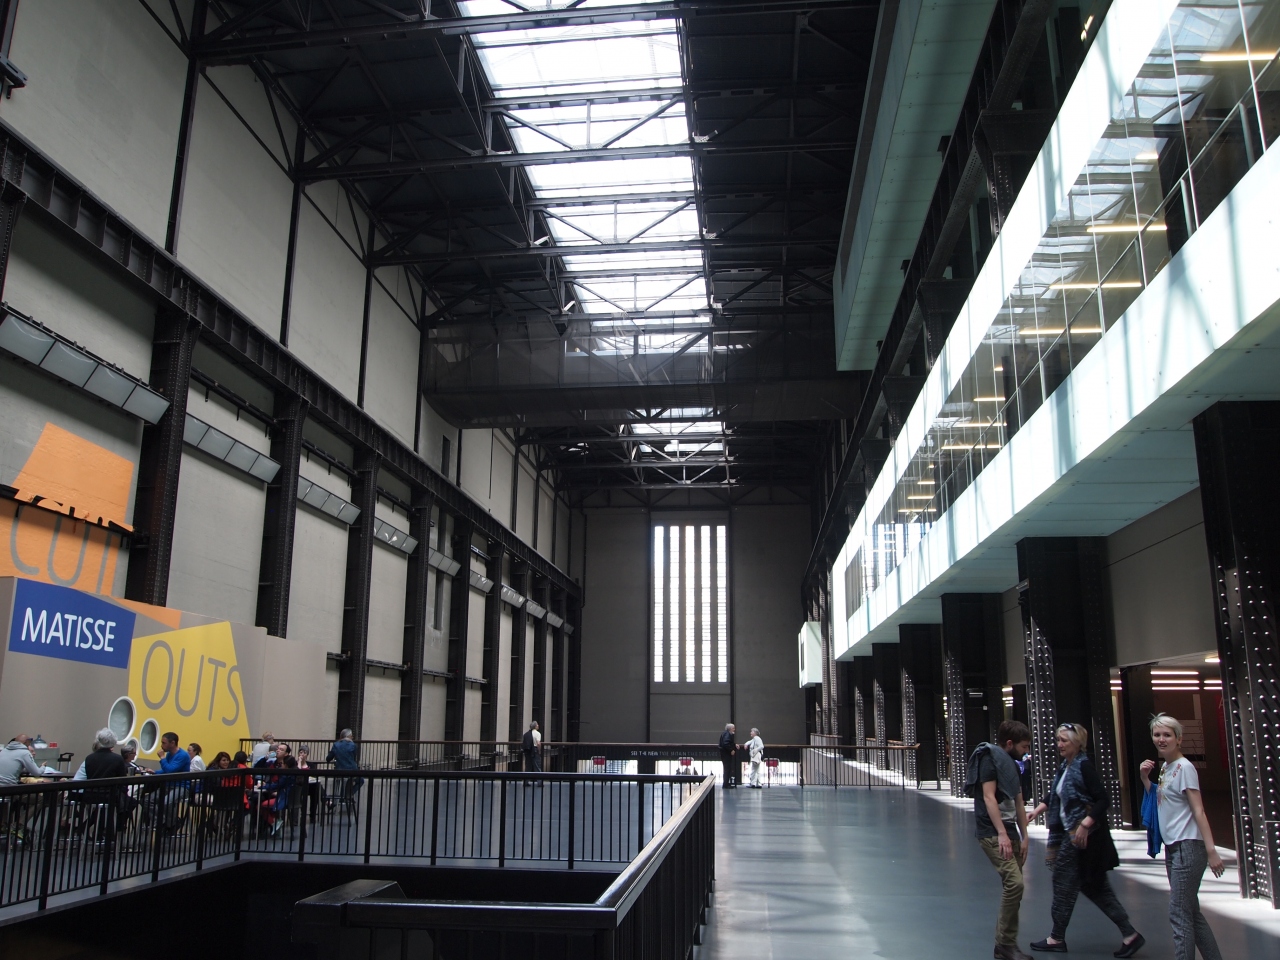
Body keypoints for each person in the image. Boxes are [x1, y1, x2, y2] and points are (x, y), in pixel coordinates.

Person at [1028, 723, 1143, 956]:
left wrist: (1085, 823)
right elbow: (1056, 793)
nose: (1059, 745)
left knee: (1063, 881)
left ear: (1078, 742)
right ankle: (1130, 934)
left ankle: (1056, 938)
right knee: (1094, 886)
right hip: (1072, 834)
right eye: (1058, 740)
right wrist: (1038, 810)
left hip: (1082, 838)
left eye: (1064, 740)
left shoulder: (1084, 766)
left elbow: (1103, 799)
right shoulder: (1066, 766)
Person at [1140, 714, 1225, 960]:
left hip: (1188, 847)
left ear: (1179, 739)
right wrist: (1145, 778)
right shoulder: (1166, 768)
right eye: (1157, 735)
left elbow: (1198, 810)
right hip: (1174, 847)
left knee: (1178, 912)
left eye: (1167, 735)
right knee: (1190, 912)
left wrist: (1211, 851)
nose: (1161, 739)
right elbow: (1163, 800)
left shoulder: (1185, 768)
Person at [964, 720, 1033, 960]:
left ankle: (1006, 945)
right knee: (1015, 884)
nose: (1026, 752)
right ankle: (1004, 944)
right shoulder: (990, 760)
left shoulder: (1011, 765)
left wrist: (1025, 836)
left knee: (1014, 888)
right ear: (1010, 744)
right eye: (1024, 747)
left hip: (1010, 830)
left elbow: (1018, 802)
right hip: (993, 832)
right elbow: (989, 797)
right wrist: (1002, 833)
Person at [718, 723, 738, 788]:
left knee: (727, 768)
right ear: (730, 729)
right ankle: (725, 784)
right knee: (727, 769)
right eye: (733, 728)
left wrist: (734, 745)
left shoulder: (725, 734)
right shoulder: (727, 734)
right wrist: (731, 750)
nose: (734, 729)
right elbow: (726, 743)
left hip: (724, 754)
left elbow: (727, 742)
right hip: (726, 754)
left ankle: (726, 783)